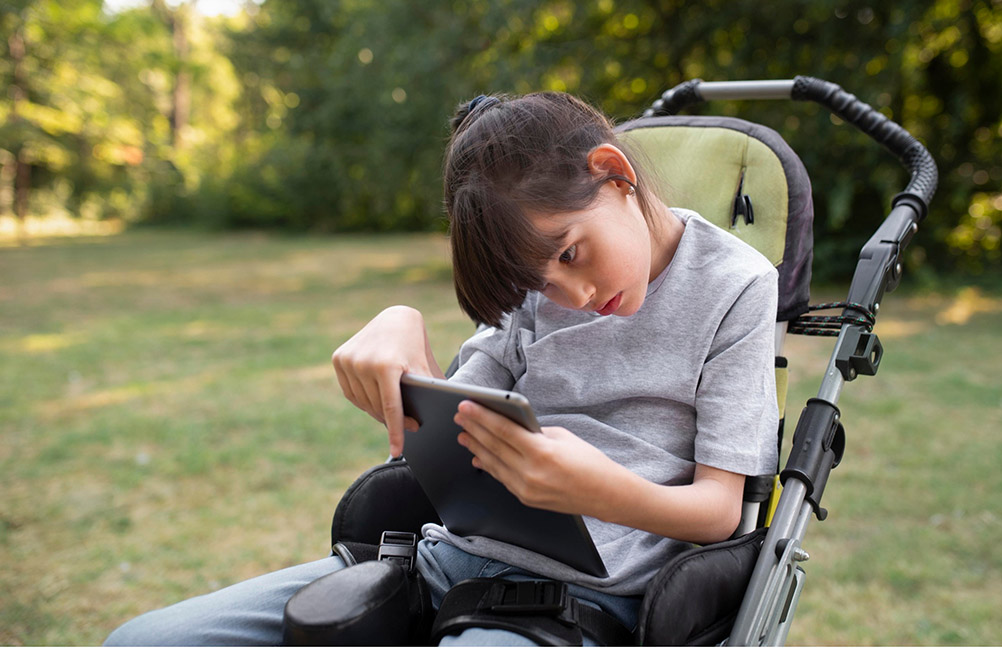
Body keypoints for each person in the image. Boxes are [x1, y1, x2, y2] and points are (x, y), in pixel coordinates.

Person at [105, 91, 779, 646]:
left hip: (580, 604)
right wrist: (400, 327)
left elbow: (720, 512)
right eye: (541, 284)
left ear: (615, 172)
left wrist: (596, 490)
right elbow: (456, 422)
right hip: (438, 565)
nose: (570, 297)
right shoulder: (535, 289)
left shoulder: (736, 286)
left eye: (572, 254)